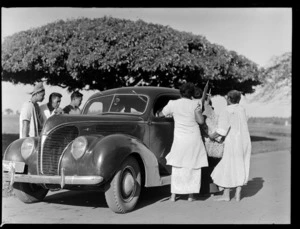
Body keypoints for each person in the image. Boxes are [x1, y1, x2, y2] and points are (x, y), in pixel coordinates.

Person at [159, 82, 208, 202]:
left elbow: (160, 114)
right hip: (193, 138)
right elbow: (200, 121)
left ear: (180, 92)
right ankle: (191, 196)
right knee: (193, 165)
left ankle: (173, 196)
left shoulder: (172, 104)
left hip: (180, 139)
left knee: (178, 166)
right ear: (191, 93)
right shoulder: (195, 104)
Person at [209, 90, 251, 201]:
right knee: (240, 165)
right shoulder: (242, 109)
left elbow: (222, 130)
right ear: (239, 99)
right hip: (244, 141)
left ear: (228, 99)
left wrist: (211, 136)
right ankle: (238, 194)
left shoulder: (226, 110)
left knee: (227, 166)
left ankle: (226, 195)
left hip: (232, 142)